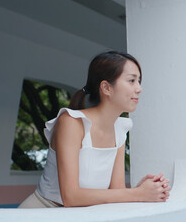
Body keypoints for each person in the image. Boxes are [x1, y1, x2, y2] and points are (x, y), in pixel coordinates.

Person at [18, 51, 171, 208]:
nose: (139, 89)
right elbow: (71, 197)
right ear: (106, 88)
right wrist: (137, 194)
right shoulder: (72, 122)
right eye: (131, 80)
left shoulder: (119, 129)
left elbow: (117, 192)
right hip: (42, 212)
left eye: (139, 81)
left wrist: (141, 190)